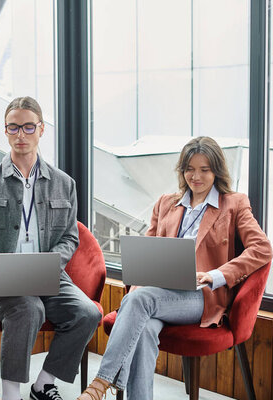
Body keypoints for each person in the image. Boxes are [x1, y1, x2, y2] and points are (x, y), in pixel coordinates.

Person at [78, 136, 272, 400]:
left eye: (205, 169)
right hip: (157, 292)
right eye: (190, 169)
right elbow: (146, 255)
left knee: (139, 300)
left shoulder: (234, 204)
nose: (196, 176)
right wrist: (138, 286)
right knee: (144, 327)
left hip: (200, 297)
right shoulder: (166, 203)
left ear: (216, 170)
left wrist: (215, 276)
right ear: (182, 171)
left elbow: (262, 249)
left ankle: (100, 384)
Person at [0, 96, 102, 400]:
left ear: (41, 130)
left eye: (27, 127)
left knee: (88, 313)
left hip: (48, 275)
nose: (20, 135)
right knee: (28, 308)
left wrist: (52, 265)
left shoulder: (65, 184)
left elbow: (70, 238)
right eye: (13, 128)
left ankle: (43, 384)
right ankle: (11, 394)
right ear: (6, 130)